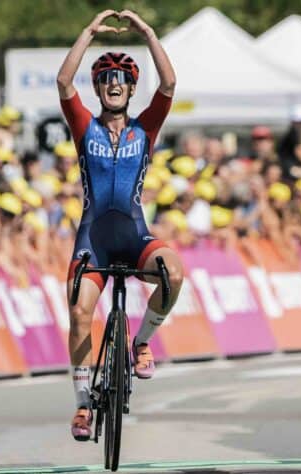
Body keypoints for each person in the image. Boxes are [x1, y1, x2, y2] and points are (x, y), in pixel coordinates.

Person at [57, 9, 183, 441]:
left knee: (174, 273)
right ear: (99, 88)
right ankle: (81, 406)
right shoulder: (83, 125)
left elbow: (168, 85)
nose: (114, 84)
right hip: (94, 239)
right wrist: (89, 30)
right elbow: (62, 83)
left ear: (131, 89)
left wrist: (147, 31)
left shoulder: (144, 129)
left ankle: (142, 341)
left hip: (133, 235)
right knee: (78, 313)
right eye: (107, 79)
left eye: (122, 79)